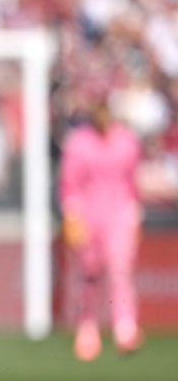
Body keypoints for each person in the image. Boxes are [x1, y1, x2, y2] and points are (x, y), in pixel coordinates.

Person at [58, 99, 144, 361]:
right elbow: (69, 182)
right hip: (88, 215)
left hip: (118, 214)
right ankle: (87, 328)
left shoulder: (126, 141)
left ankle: (125, 326)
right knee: (88, 274)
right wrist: (72, 213)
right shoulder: (79, 143)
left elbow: (131, 182)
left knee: (120, 271)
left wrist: (134, 213)